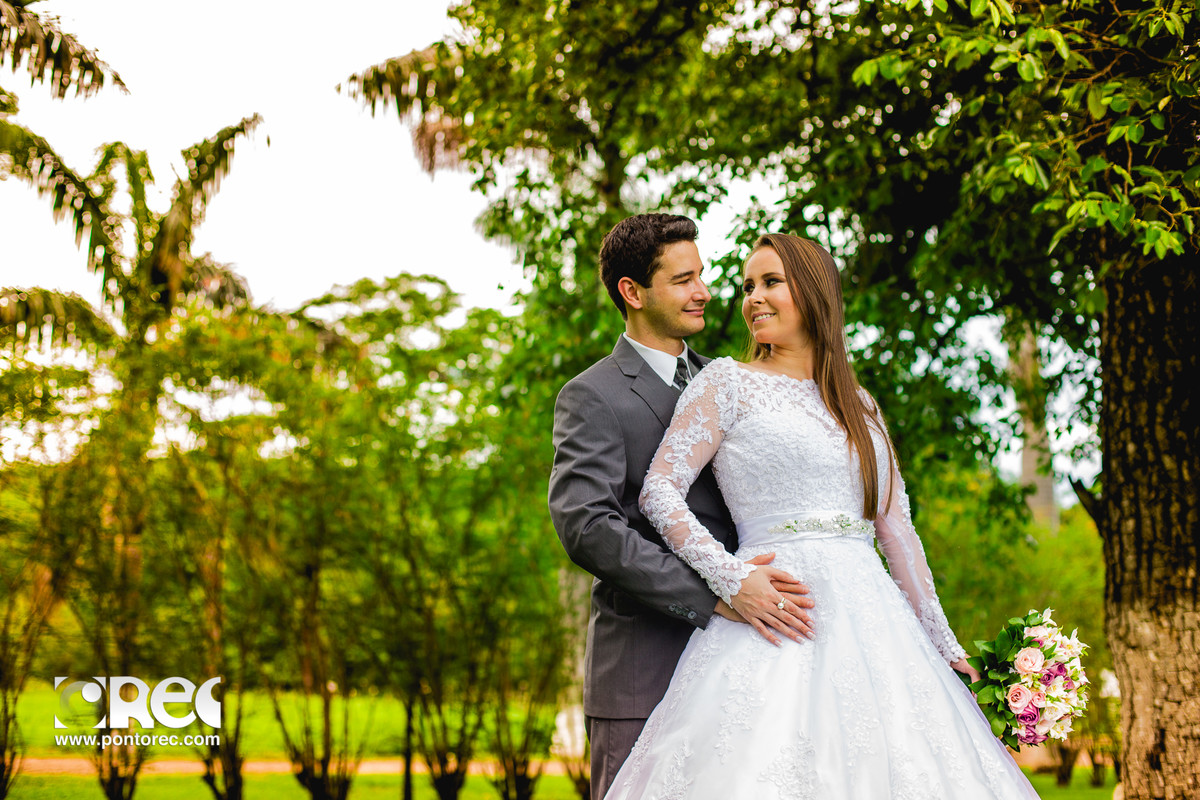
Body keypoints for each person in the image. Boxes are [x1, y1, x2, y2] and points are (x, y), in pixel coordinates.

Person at [603, 233, 1040, 799]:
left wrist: (946, 646)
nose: (753, 298)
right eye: (748, 286)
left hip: (877, 626)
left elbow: (898, 535)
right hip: (779, 613)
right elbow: (660, 491)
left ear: (814, 292)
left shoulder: (861, 404)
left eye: (771, 282)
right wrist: (731, 577)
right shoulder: (726, 383)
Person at [548, 215, 817, 800]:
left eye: (702, 276)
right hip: (644, 669)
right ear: (633, 292)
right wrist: (716, 594)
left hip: (748, 666)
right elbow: (588, 527)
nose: (705, 292)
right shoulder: (591, 395)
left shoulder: (732, 380)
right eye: (683, 280)